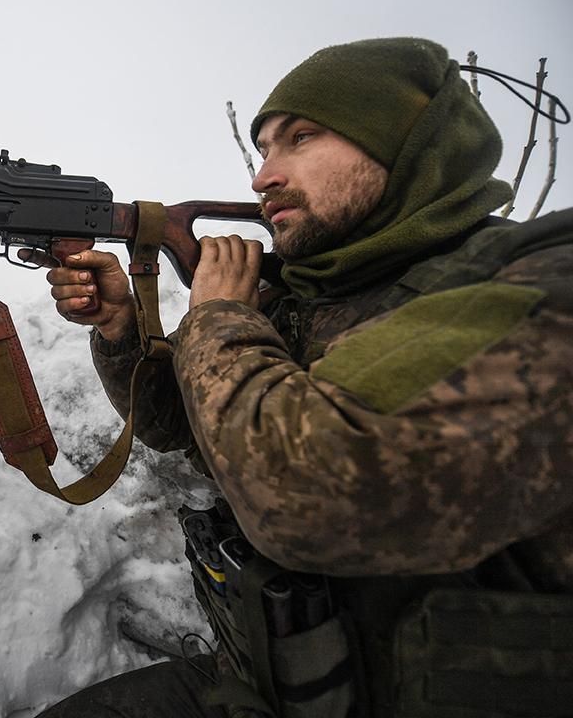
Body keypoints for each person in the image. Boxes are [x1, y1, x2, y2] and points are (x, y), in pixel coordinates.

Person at [33, 38, 573, 718]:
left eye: (300, 138)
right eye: (262, 150)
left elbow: (306, 499)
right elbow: (188, 432)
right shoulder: (310, 292)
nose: (263, 177)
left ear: (406, 142)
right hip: (274, 681)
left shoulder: (540, 281)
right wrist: (121, 331)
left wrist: (222, 316)